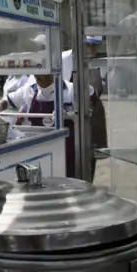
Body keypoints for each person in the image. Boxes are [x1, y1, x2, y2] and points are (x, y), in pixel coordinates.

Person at [61, 36, 107, 181]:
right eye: (89, 45)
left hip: (92, 120)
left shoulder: (97, 63)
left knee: (88, 164)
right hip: (70, 120)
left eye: (96, 46)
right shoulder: (63, 60)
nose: (93, 50)